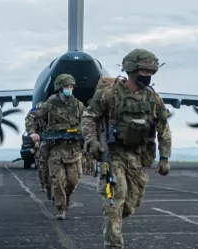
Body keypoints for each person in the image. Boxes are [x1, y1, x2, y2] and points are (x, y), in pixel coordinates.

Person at [81, 48, 172, 249]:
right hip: (113, 154)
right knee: (116, 197)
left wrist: (165, 158)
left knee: (130, 204)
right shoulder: (109, 94)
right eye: (144, 72)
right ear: (131, 71)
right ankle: (113, 243)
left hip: (137, 156)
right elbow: (89, 117)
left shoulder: (153, 99)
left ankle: (112, 219)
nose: (147, 77)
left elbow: (164, 129)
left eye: (150, 73)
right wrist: (92, 141)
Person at [29, 74, 84, 220]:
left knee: (73, 181)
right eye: (67, 87)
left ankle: (67, 197)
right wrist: (33, 132)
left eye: (71, 87)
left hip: (73, 149)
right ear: (60, 88)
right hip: (55, 149)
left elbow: (87, 121)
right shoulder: (49, 105)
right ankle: (61, 208)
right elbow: (32, 116)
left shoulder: (78, 106)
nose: (69, 89)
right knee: (57, 180)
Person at [25, 103, 51, 198]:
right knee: (42, 168)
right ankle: (46, 185)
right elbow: (30, 119)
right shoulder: (39, 110)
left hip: (58, 146)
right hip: (41, 148)